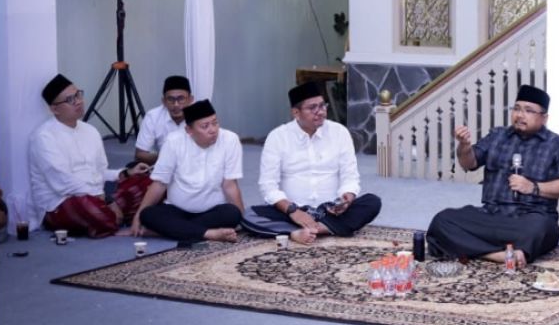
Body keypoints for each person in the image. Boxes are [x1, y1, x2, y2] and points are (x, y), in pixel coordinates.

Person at [427, 85, 559, 268]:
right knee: (442, 221)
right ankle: (498, 255)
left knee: (542, 230)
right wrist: (464, 146)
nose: (520, 115)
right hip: (491, 215)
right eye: (517, 109)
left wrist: (534, 187)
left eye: (528, 110)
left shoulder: (558, 145)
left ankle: (474, 248)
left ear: (544, 118)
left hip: (529, 218)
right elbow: (469, 163)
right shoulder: (497, 136)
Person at [248, 81, 382, 244]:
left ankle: (314, 229)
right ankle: (304, 230)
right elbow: (268, 186)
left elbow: (350, 176)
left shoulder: (339, 132)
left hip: (330, 210)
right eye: (312, 108)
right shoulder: (277, 137)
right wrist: (293, 211)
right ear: (296, 113)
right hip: (292, 211)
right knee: (249, 215)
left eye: (322, 105)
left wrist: (347, 196)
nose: (320, 112)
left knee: (372, 202)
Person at [28, 74, 152, 237]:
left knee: (145, 182)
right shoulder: (44, 137)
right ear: (54, 109)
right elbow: (63, 183)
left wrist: (125, 173)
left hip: (99, 197)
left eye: (78, 95)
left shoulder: (90, 131)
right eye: (70, 99)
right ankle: (113, 219)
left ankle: (111, 218)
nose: (78, 101)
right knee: (89, 209)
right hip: (61, 203)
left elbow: (100, 172)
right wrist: (106, 200)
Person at [131, 100, 244, 243]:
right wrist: (138, 215)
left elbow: (230, 185)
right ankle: (209, 234)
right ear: (189, 130)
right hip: (177, 209)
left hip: (213, 210)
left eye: (215, 123)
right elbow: (159, 184)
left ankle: (171, 231)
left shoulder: (230, 140)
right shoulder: (173, 141)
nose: (213, 130)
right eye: (205, 126)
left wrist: (242, 218)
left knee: (232, 214)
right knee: (148, 214)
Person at [133, 75, 194, 166]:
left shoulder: (201, 116)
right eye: (170, 99)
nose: (176, 104)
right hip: (164, 165)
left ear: (190, 99)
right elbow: (139, 154)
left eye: (181, 99)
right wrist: (168, 157)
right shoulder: (153, 117)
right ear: (163, 101)